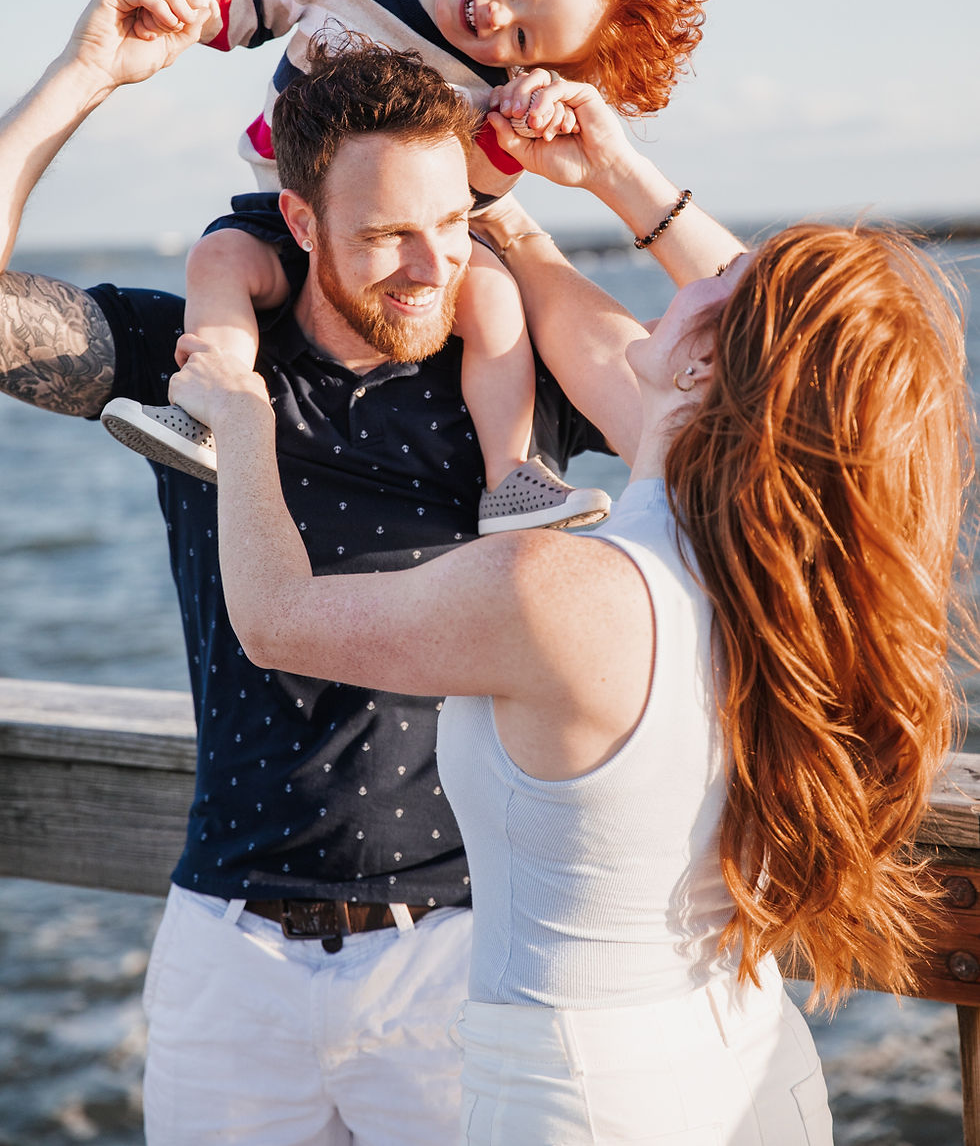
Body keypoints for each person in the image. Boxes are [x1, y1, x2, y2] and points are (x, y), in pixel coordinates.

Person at [0, 0, 740, 1145]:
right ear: (297, 219)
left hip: (457, 957)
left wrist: (611, 169)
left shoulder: (514, 381)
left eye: (450, 226)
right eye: (388, 233)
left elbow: (769, 392)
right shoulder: (195, 364)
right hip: (225, 961)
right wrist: (82, 76)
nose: (427, 267)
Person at [170, 78, 973, 1144]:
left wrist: (240, 414)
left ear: (707, 354)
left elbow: (274, 617)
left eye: (721, 287)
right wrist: (558, 185)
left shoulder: (553, 590)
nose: (695, 282)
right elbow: (813, 370)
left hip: (582, 1102)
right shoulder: (789, 562)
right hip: (750, 1071)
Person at [100, 0, 705, 533]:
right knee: (217, 259)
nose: (500, 15)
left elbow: (473, 197)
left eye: (526, 40)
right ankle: (209, 406)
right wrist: (197, 10)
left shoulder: (490, 89)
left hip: (408, 240)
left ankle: (510, 477)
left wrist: (511, 135)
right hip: (282, 202)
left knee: (494, 296)